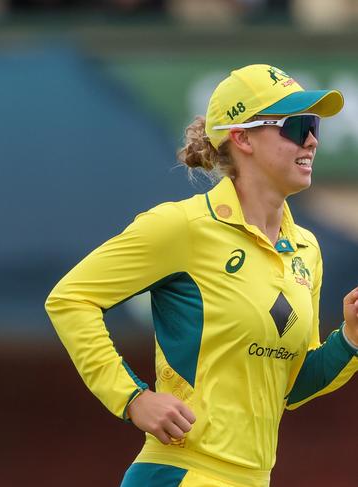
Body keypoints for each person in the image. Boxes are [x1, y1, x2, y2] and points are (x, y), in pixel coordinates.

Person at [45, 64, 358, 487]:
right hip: (180, 473)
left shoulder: (307, 249)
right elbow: (70, 299)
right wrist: (132, 398)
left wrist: (351, 339)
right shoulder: (182, 226)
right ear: (242, 137)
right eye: (295, 125)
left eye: (313, 125)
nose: (312, 139)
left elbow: (291, 385)